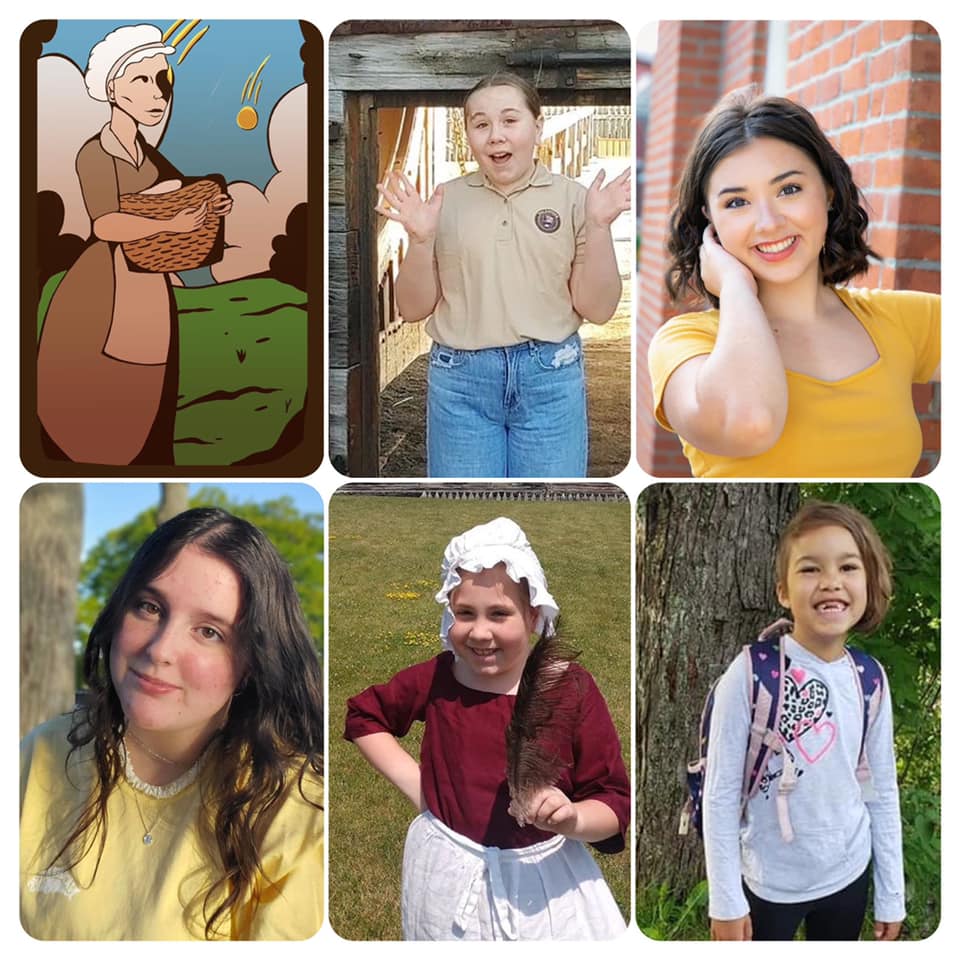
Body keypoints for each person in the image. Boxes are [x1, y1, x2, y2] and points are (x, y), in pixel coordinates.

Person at [20, 507, 324, 940]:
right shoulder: (40, 754)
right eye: (149, 607)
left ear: (252, 664)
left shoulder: (298, 812)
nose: (161, 649)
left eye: (209, 632)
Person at [344, 517, 629, 939]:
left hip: (541, 885)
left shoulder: (567, 688)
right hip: (448, 874)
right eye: (464, 613)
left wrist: (572, 819)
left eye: (499, 613)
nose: (480, 632)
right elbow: (364, 716)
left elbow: (613, 800)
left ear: (533, 614)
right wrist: (424, 791)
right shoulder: (440, 679)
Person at [648, 89, 940, 477]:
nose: (768, 222)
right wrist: (735, 287)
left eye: (789, 189)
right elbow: (749, 423)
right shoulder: (685, 345)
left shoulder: (903, 319)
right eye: (737, 202)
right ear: (710, 222)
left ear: (829, 193)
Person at [375, 72, 630, 478]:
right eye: (481, 124)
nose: (496, 135)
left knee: (548, 512)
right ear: (471, 135)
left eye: (510, 120)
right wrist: (421, 241)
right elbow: (411, 307)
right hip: (461, 381)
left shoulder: (575, 199)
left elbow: (597, 309)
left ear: (537, 125)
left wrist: (599, 226)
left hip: (551, 375)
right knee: (468, 511)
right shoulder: (446, 201)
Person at [704, 501, 903, 941]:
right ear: (782, 590)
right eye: (810, 569)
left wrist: (891, 892)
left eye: (849, 567)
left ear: (868, 582)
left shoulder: (869, 679)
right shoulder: (750, 673)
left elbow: (881, 789)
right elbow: (719, 792)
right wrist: (725, 900)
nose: (831, 582)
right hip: (768, 883)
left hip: (848, 875)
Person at [37, 23, 232, 466]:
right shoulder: (95, 153)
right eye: (142, 80)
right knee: (117, 367)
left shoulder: (149, 152)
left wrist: (209, 207)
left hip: (150, 276)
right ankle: (102, 450)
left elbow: (179, 190)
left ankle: (143, 450)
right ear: (112, 87)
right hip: (110, 280)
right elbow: (105, 224)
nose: (157, 93)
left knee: (155, 375)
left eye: (162, 81)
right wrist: (172, 223)